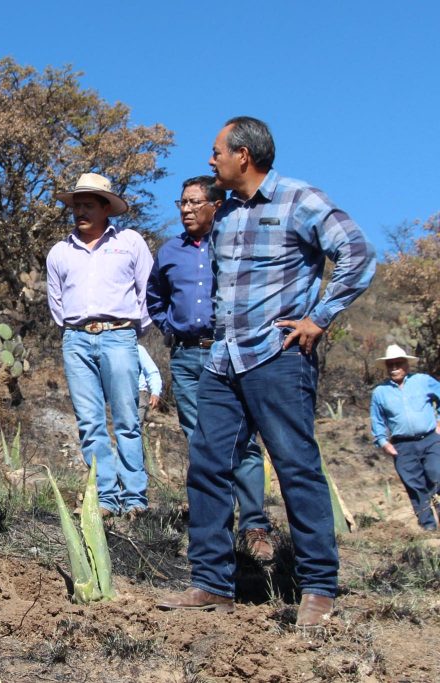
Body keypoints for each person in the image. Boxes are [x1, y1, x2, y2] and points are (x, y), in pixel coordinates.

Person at [157, 117, 376, 627]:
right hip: (223, 362)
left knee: (296, 466)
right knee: (207, 465)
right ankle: (212, 583)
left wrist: (319, 318)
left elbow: (357, 254)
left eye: (217, 151)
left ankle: (318, 588)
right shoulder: (226, 213)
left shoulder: (300, 199)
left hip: (278, 357)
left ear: (244, 155)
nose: (211, 160)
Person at [147, 175, 273, 562]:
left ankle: (255, 526)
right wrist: (171, 328)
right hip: (186, 357)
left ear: (216, 206)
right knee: (200, 441)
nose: (186, 210)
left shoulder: (235, 244)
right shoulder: (170, 251)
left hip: (232, 352)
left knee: (243, 441)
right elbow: (155, 297)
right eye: (182, 203)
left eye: (194, 202)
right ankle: (213, 529)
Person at [46, 173, 153, 518]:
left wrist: (132, 331)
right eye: (76, 206)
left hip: (119, 335)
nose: (80, 211)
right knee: (89, 422)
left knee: (126, 419)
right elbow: (56, 301)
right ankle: (106, 497)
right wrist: (73, 330)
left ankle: (135, 498)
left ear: (106, 208)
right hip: (76, 339)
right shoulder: (60, 252)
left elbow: (147, 290)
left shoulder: (130, 242)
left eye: (88, 205)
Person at [369, 345, 440, 530]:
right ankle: (428, 528)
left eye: (398, 364)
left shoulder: (423, 381)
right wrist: (383, 442)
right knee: (415, 487)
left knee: (437, 475)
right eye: (390, 365)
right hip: (402, 446)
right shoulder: (380, 392)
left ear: (406, 364)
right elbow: (377, 420)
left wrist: (439, 423)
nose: (394, 368)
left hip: (431, 439)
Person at [137, 344, 162, 425]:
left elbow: (152, 372)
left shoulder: (137, 348)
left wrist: (155, 392)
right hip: (116, 396)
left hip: (138, 394)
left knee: (133, 428)